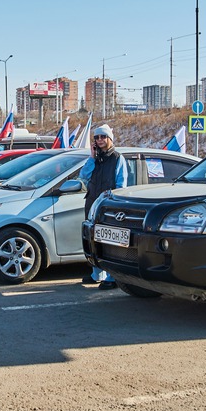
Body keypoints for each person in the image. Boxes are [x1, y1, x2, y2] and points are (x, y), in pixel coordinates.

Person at [79, 124, 129, 290]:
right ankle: (97, 275)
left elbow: (121, 185)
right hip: (93, 203)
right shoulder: (96, 159)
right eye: (97, 137)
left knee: (109, 242)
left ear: (110, 139)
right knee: (94, 239)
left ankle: (111, 277)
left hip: (109, 206)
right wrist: (92, 157)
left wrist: (114, 203)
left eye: (103, 137)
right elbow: (83, 176)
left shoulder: (117, 158)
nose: (100, 140)